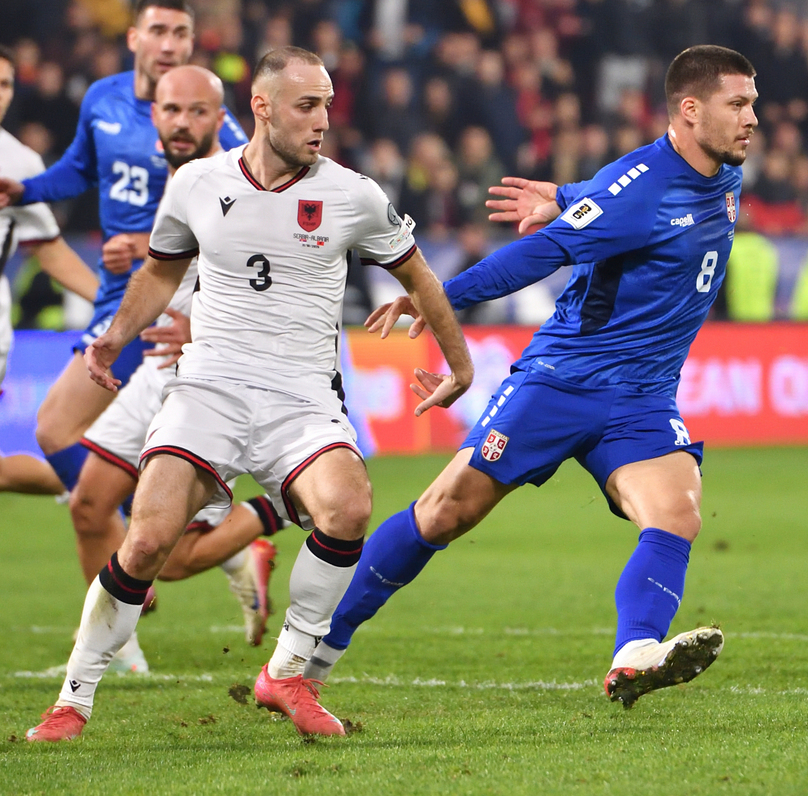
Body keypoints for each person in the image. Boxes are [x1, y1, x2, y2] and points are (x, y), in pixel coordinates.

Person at [25, 46, 473, 742]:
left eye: (326, 103)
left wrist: (460, 365)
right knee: (145, 543)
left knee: (349, 507)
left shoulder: (352, 193)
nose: (322, 118)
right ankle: (73, 699)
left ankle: (287, 673)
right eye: (306, 104)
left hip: (301, 400)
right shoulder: (198, 185)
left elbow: (420, 278)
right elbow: (158, 273)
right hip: (209, 391)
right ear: (262, 108)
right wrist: (114, 339)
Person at [303, 44, 758, 711]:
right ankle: (311, 654)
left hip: (641, 398)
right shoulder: (646, 186)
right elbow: (541, 253)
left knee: (676, 513)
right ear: (691, 111)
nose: (753, 118)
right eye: (738, 104)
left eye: (753, 102)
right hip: (561, 382)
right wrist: (438, 297)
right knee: (444, 511)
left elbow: (602, 200)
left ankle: (635, 652)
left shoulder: (717, 170)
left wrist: (570, 195)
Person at [71, 65, 288, 665]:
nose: (183, 123)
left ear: (222, 118)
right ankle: (119, 655)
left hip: (210, 376)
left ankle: (274, 512)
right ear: (155, 117)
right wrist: (119, 331)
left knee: (179, 559)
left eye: (199, 112)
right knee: (90, 505)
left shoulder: (249, 181)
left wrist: (203, 323)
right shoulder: (175, 180)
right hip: (157, 364)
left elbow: (277, 278)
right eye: (171, 111)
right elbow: (168, 263)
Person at [0, 0, 248, 501]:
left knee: (58, 430)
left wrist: (144, 244)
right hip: (119, 292)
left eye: (181, 33)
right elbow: (80, 168)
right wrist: (29, 191)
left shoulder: (209, 119)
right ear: (134, 38)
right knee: (96, 450)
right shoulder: (103, 98)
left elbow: (243, 208)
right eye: (159, 30)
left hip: (169, 295)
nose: (170, 44)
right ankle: (181, 533)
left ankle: (157, 531)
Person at [0, 45, 101, 495]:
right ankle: (104, 493)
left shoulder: (17, 161)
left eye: (4, 84)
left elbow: (50, 250)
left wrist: (117, 307)